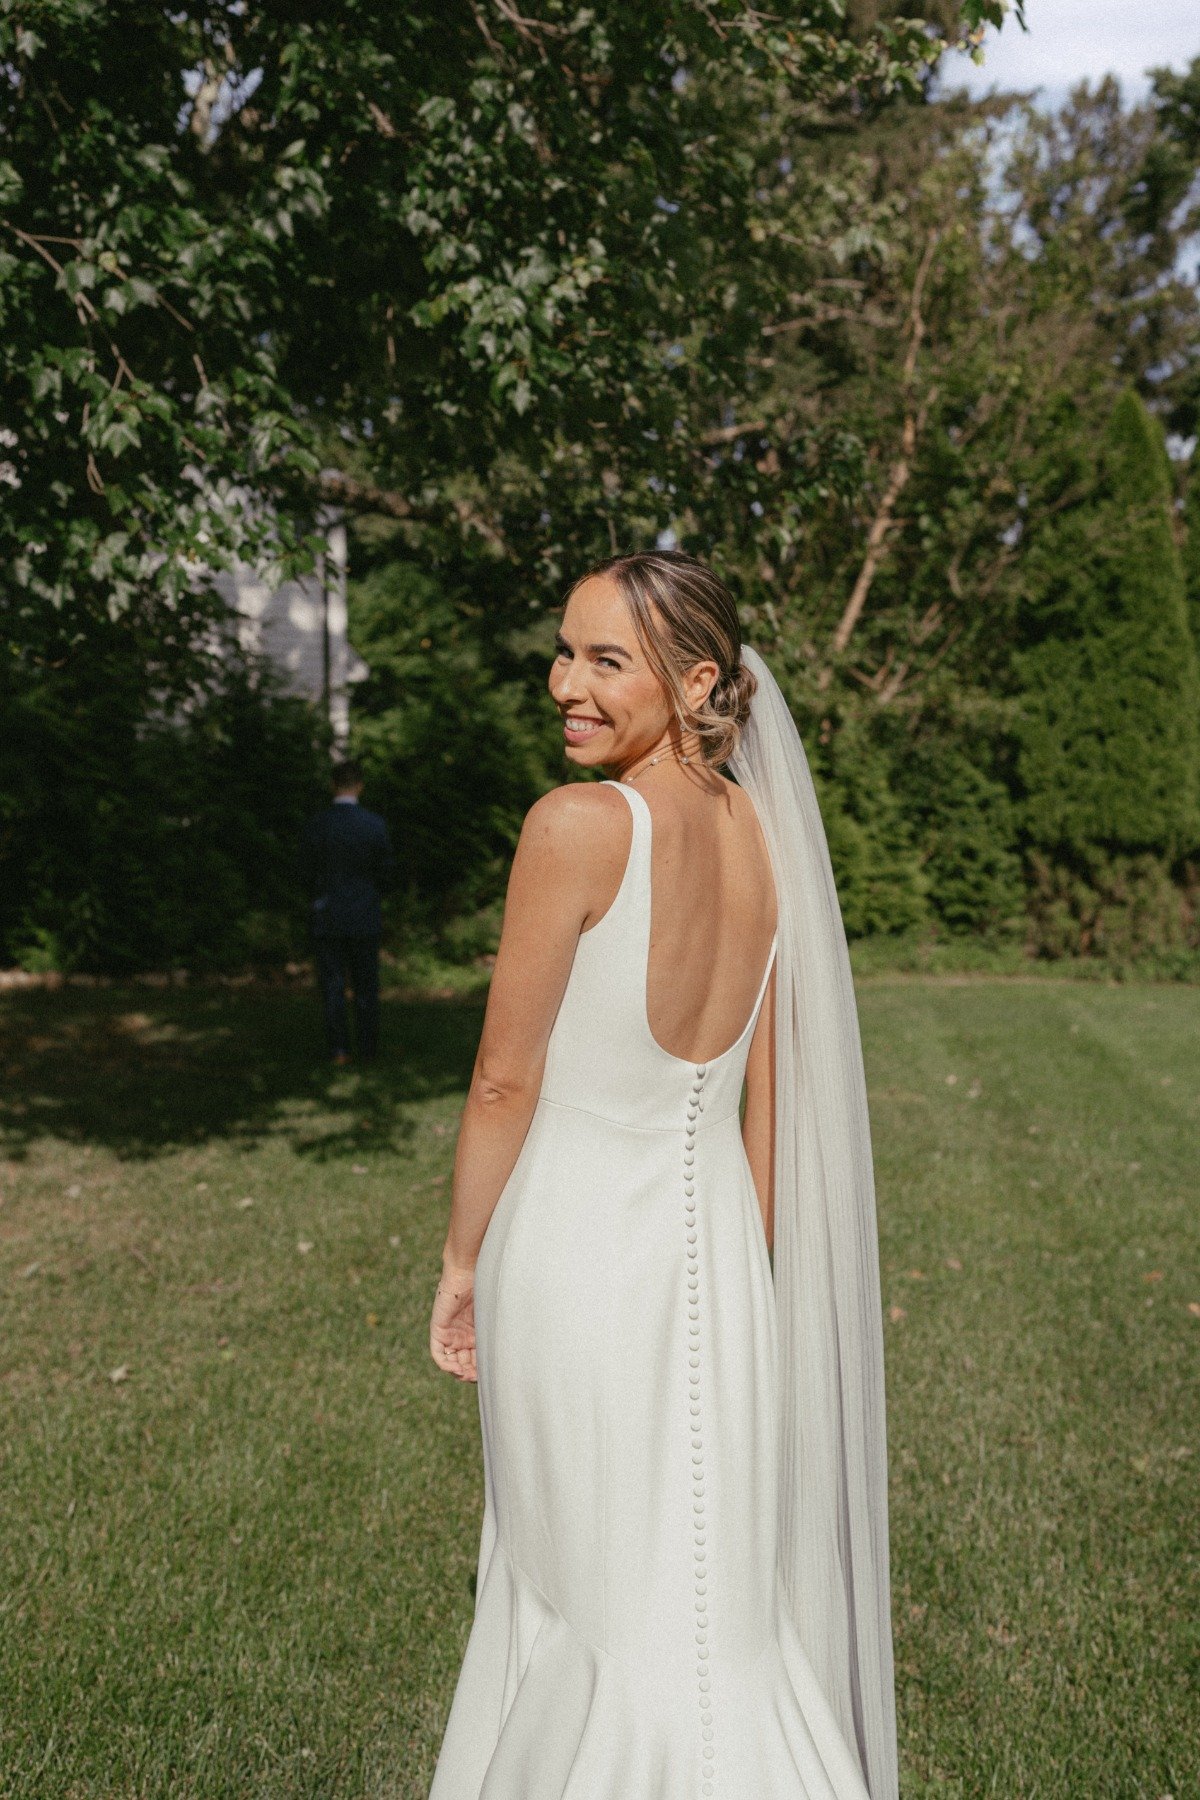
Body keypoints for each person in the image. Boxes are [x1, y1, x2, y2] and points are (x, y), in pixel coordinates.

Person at [428, 552, 897, 1799]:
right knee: (707, 1603)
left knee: (583, 1589)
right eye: (565, 651)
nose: (561, 683)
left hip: (576, 1255)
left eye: (603, 660)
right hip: (720, 1265)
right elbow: (768, 1102)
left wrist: (463, 1263)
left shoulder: (576, 826)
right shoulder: (767, 841)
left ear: (698, 681)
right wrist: (751, 1270)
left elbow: (501, 1083)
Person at [299, 759, 395, 1065]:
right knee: (366, 985)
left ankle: (339, 1050)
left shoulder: (317, 824)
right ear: (360, 786)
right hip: (364, 914)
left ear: (333, 785)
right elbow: (386, 872)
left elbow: (305, 872)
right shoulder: (374, 825)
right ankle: (367, 1050)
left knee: (332, 985)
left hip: (327, 915)